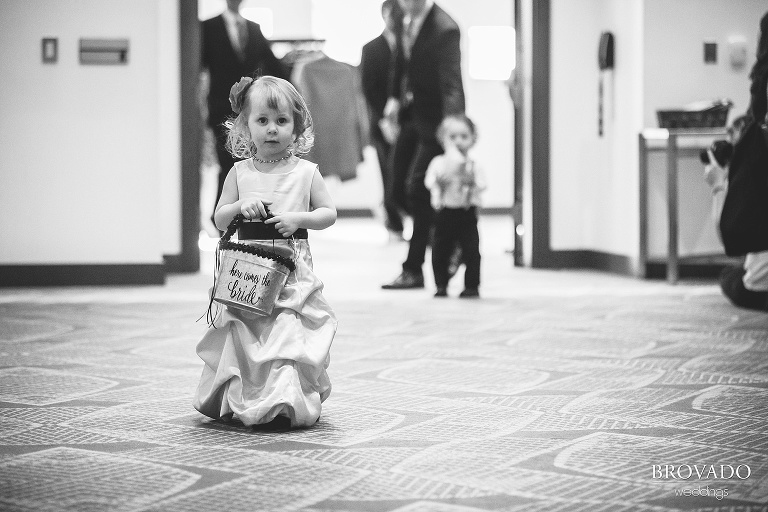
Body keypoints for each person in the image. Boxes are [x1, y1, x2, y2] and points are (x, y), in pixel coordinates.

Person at [193, 76, 338, 429]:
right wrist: (241, 205)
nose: (272, 130)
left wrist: (298, 218)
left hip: (291, 274)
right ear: (245, 125)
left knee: (286, 336)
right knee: (246, 334)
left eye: (281, 121)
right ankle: (243, 397)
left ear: (297, 125)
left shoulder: (306, 173)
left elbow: (328, 213)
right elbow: (219, 215)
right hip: (249, 269)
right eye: (262, 121)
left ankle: (285, 403)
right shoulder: (240, 173)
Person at [381, 0, 466, 290]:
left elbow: (452, 82)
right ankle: (452, 243)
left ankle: (414, 268)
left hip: (436, 123)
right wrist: (393, 98)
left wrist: (453, 131)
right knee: (394, 191)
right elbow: (401, 62)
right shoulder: (402, 18)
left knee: (418, 188)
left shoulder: (445, 29)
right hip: (411, 118)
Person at [202, 0, 288, 221]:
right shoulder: (208, 27)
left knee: (250, 161)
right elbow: (197, 68)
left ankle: (250, 211)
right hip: (221, 109)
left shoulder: (253, 28)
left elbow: (273, 63)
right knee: (226, 162)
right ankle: (221, 215)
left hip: (254, 110)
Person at [704, 11, 768, 312]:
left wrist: (720, 186)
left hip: (760, 286)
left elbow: (733, 233)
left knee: (732, 279)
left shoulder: (758, 141)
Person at [425, 115, 486, 298]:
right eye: (452, 137)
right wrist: (438, 183)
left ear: (473, 139)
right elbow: (429, 181)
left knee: (472, 250)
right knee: (439, 249)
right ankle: (441, 283)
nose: (458, 141)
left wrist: (472, 181)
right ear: (443, 139)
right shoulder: (438, 163)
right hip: (445, 213)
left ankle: (472, 285)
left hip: (467, 214)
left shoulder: (474, 165)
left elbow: (483, 184)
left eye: (464, 136)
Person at [361, 0, 405, 240]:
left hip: (406, 121)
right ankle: (394, 224)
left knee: (404, 172)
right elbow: (368, 88)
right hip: (381, 122)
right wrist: (384, 119)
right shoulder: (371, 48)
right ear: (384, 15)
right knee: (387, 171)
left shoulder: (408, 44)